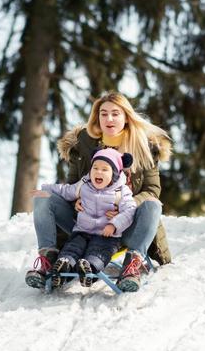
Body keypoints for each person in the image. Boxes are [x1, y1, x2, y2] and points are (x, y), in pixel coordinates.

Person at [25, 92, 172, 292]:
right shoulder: (83, 143)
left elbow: (152, 190)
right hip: (85, 225)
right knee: (44, 199)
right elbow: (72, 185)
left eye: (115, 113)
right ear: (97, 117)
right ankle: (48, 259)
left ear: (126, 117)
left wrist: (122, 207)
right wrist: (76, 199)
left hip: (124, 228)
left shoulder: (144, 146)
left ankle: (132, 266)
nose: (109, 119)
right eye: (103, 114)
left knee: (153, 205)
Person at [31, 148, 137, 289]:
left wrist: (114, 225)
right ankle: (64, 267)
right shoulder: (84, 185)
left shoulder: (121, 192)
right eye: (95, 168)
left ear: (115, 174)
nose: (98, 172)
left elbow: (130, 211)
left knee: (98, 253)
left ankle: (89, 270)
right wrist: (45, 188)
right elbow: (65, 190)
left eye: (105, 170)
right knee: (72, 248)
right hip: (81, 231)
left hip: (106, 236)